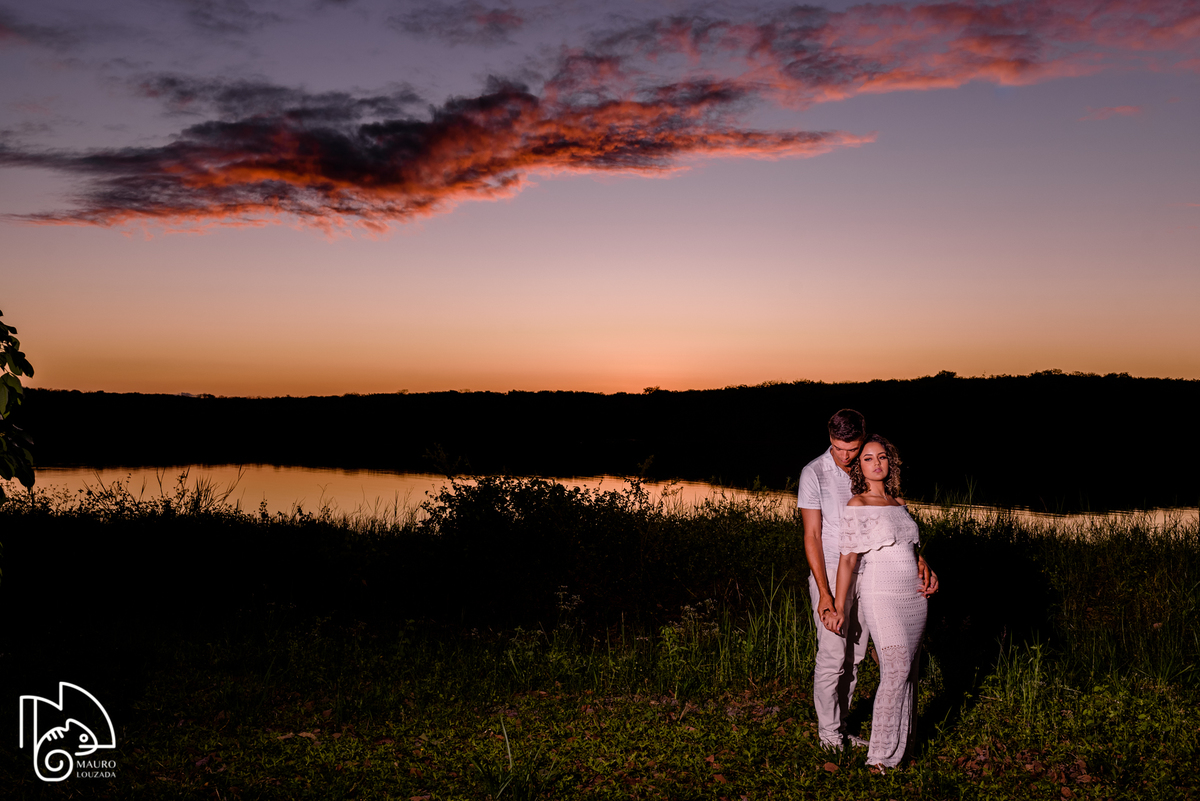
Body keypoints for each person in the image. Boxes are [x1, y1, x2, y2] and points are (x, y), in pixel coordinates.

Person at [798, 410, 936, 750]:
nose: (845, 457)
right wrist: (825, 594)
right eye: (838, 448)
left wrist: (917, 558)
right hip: (832, 570)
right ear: (829, 437)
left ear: (863, 438)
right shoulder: (814, 472)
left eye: (852, 449)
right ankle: (828, 735)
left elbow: (889, 524)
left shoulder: (869, 466)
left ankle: (841, 727)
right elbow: (812, 535)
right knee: (832, 654)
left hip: (872, 572)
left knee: (855, 657)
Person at [826, 434, 929, 770]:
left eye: (882, 457)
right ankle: (878, 759)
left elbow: (909, 549)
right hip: (880, 594)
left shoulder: (900, 503)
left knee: (908, 673)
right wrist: (839, 605)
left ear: (890, 462)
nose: (876, 463)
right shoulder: (858, 504)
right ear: (860, 466)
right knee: (895, 669)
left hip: (914, 596)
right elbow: (848, 560)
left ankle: (901, 750)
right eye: (868, 458)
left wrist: (926, 566)